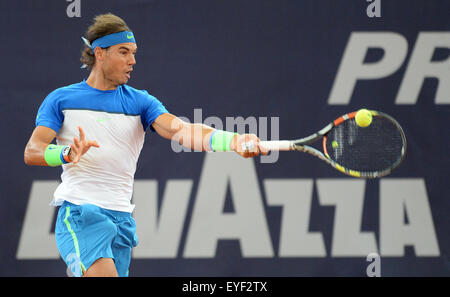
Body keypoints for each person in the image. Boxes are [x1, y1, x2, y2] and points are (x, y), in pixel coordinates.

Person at [23, 13, 267, 277]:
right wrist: (66, 153)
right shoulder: (61, 99)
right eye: (124, 52)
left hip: (122, 219)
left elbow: (182, 130)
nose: (132, 61)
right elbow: (33, 151)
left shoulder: (141, 102)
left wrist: (233, 140)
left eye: (134, 53)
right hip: (82, 212)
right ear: (99, 53)